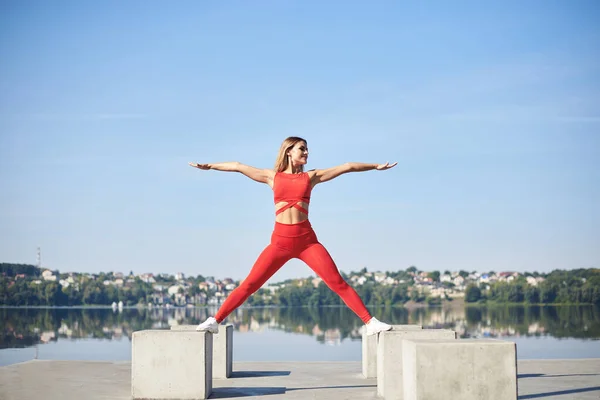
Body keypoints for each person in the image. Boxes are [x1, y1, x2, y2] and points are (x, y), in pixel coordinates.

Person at [189, 136, 396, 336]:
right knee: (250, 285)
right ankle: (215, 321)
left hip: (307, 242)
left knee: (337, 283)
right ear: (289, 151)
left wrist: (375, 166)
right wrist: (210, 166)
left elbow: (348, 166)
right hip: (280, 244)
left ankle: (370, 322)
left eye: (307, 149)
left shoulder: (310, 177)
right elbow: (237, 165)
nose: (306, 153)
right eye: (302, 149)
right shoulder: (272, 177)